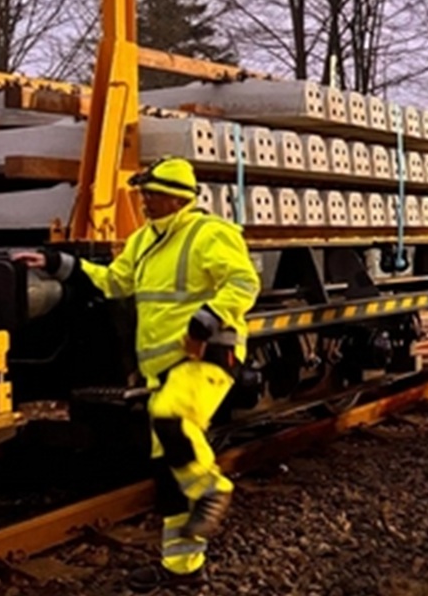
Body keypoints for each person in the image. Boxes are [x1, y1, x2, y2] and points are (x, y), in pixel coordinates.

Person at [15, 158, 260, 592]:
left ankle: (211, 487)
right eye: (142, 193)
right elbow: (114, 282)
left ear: (177, 197)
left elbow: (243, 282)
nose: (143, 201)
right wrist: (57, 262)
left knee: (171, 418)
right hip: (160, 369)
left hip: (206, 358)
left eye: (151, 194)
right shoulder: (144, 241)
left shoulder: (210, 233)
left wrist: (208, 319)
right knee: (168, 474)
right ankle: (182, 570)